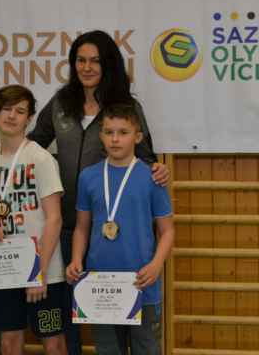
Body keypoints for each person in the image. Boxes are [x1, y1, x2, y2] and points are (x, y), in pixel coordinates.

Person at [28, 30, 169, 354]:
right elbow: (31, 144)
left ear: (108, 64)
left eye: (95, 60)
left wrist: (159, 169)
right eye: (80, 60)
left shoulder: (126, 107)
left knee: (128, 327)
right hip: (67, 227)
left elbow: (146, 157)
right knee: (72, 315)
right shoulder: (61, 103)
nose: (87, 67)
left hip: (115, 234)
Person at [66, 103, 175, 355]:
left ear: (137, 136)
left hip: (141, 283)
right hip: (100, 285)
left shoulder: (153, 177)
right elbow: (81, 228)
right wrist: (76, 259)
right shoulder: (88, 177)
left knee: (146, 349)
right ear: (101, 135)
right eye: (109, 132)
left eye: (123, 132)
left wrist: (156, 265)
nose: (115, 139)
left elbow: (167, 231)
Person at [0, 85, 67, 355]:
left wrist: (38, 272)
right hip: (7, 271)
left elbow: (54, 219)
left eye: (20, 111)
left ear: (29, 118)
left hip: (45, 273)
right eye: (6, 109)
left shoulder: (40, 158)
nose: (12, 116)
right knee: (9, 343)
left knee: (53, 343)